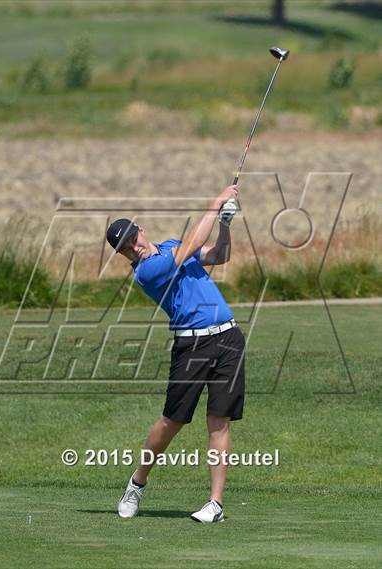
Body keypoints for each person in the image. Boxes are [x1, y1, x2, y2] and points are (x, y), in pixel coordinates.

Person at [105, 185, 245, 523]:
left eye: (133, 238)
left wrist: (225, 222)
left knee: (219, 420)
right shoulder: (146, 272)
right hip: (192, 346)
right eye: (125, 248)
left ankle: (215, 504)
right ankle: (138, 482)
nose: (133, 247)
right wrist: (215, 203)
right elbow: (192, 246)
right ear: (123, 254)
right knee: (173, 421)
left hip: (228, 337)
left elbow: (218, 255)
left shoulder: (169, 246)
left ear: (140, 229)